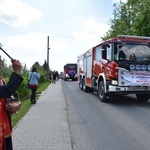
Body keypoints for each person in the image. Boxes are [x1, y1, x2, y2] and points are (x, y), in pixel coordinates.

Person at [0, 56, 23, 150]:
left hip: (3, 121)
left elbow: (5, 93)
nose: (1, 61)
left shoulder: (1, 79)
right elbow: (6, 90)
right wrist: (16, 71)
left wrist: (9, 100)